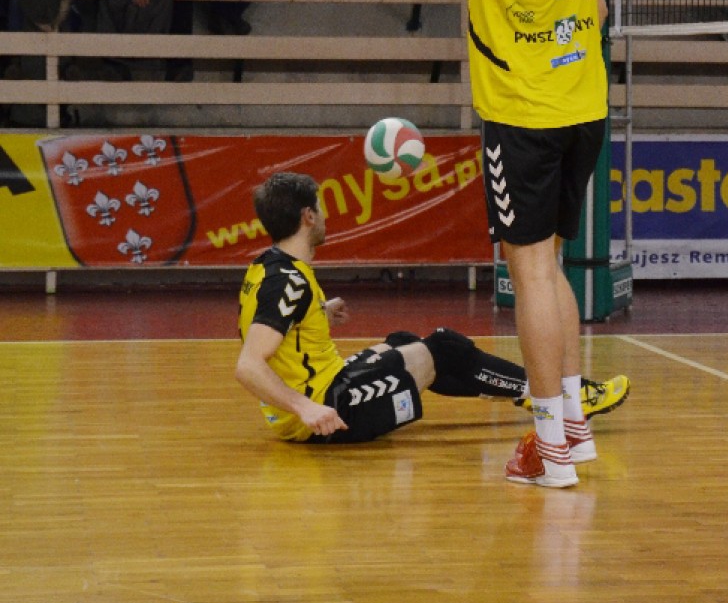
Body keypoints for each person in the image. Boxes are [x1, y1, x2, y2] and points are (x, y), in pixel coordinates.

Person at [374, 0, 610, 487]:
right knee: (551, 265)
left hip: (524, 114)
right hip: (584, 104)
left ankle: (549, 449)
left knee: (528, 273)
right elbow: (597, 10)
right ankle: (573, 427)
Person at [236, 171, 630, 446]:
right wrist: (306, 408)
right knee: (444, 348)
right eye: (320, 209)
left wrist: (318, 313)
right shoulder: (288, 282)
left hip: (323, 390)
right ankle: (560, 396)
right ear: (308, 217)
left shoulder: (266, 268)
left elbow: (273, 323)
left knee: (404, 341)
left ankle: (533, 392)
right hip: (330, 412)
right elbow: (249, 365)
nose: (325, 216)